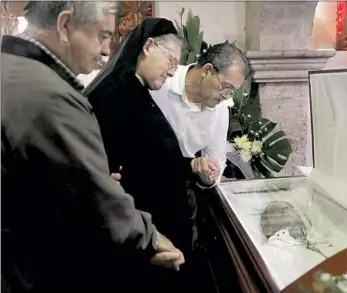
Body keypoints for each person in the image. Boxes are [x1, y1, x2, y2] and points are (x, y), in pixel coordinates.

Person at [1, 2, 184, 291]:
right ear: (64, 25)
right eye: (101, 35)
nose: (106, 51)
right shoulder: (50, 95)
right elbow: (94, 195)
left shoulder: (10, 67)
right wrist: (150, 238)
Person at [83, 18, 217, 290]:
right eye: (170, 61)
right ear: (148, 46)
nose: (171, 72)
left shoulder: (132, 88)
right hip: (137, 240)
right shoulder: (114, 92)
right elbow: (110, 171)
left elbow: (149, 159)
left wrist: (191, 165)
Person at [150, 42, 250, 185]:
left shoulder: (220, 108)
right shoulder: (162, 82)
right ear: (207, 70)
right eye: (226, 87)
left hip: (181, 185)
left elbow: (217, 161)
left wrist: (209, 173)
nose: (226, 96)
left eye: (232, 92)